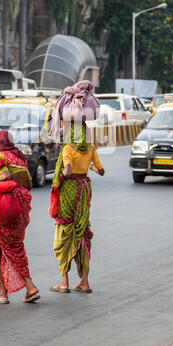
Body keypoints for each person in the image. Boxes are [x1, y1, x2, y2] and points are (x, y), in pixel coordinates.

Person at [0, 129, 40, 304]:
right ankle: (30, 287)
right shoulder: (20, 158)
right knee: (15, 246)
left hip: (3, 208)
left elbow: (5, 176)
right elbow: (29, 184)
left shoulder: (0, 157)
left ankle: (2, 293)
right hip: (19, 210)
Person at [49, 120, 105, 294]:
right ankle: (84, 282)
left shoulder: (67, 148)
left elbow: (67, 172)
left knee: (65, 232)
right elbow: (101, 171)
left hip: (69, 192)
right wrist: (88, 166)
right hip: (84, 192)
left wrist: (59, 175)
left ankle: (64, 282)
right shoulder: (90, 148)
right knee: (81, 231)